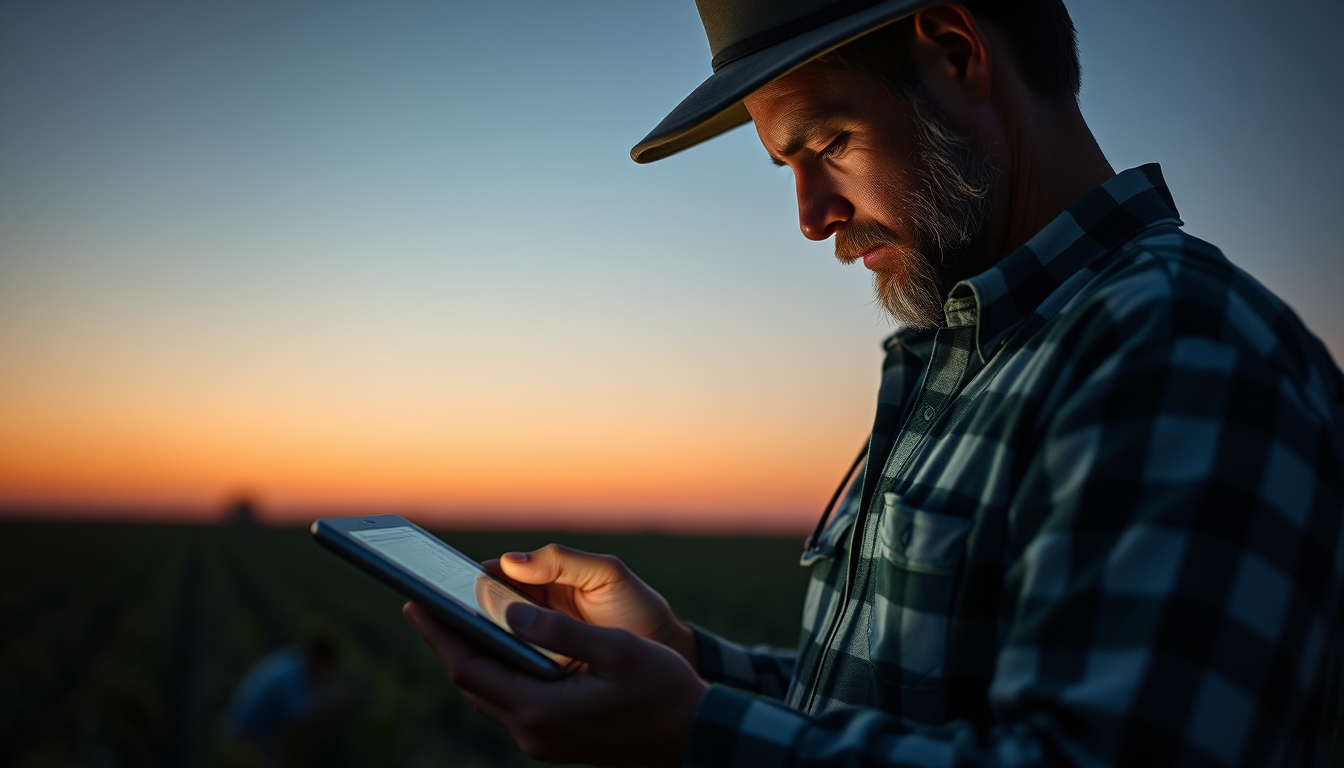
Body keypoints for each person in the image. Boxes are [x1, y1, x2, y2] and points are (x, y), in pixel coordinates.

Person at [403, 1, 1344, 766]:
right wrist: (682, 664)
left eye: (827, 144)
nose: (812, 218)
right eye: (790, 168)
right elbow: (899, 708)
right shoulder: (973, 352)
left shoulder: (1180, 352)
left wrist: (691, 737)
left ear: (953, 51)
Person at [223, 636, 358, 767]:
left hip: (241, 729)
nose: (326, 673)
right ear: (319, 659)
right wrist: (337, 703)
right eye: (327, 666)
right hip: (245, 736)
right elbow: (302, 714)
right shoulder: (292, 675)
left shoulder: (290, 661)